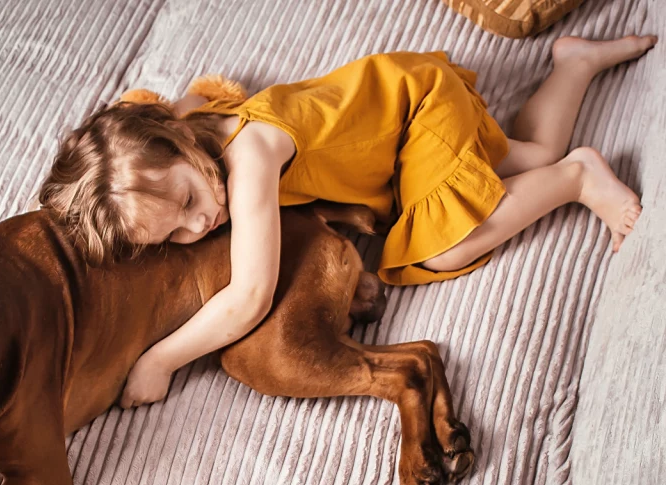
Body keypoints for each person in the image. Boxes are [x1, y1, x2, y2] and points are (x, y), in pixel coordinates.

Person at [38, 36, 656, 408]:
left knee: (444, 247)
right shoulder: (184, 126)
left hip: (411, 114)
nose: (198, 225)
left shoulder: (250, 160)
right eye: (173, 234)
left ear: (175, 141)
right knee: (530, 154)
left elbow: (251, 296)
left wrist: (160, 360)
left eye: (187, 200)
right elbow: (165, 107)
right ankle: (573, 64)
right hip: (388, 105)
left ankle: (580, 179)